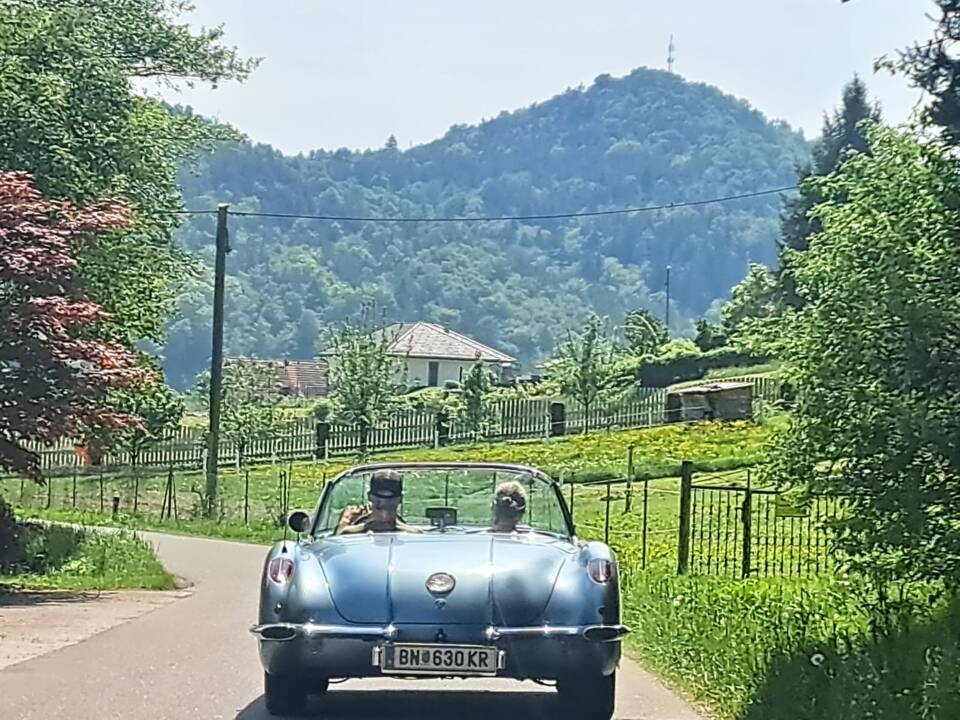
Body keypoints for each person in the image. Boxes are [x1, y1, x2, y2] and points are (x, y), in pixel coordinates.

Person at [336, 469, 422, 534]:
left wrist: (345, 521)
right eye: (378, 503)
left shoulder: (347, 532)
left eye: (390, 506)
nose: (384, 514)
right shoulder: (414, 534)